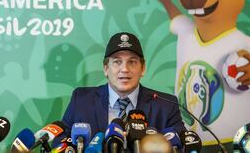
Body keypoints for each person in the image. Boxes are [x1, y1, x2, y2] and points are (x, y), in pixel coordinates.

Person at [52, 32, 186, 146]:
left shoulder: (166, 105)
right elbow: (59, 143)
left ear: (143, 68)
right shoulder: (81, 100)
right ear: (106, 68)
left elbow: (181, 146)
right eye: (117, 62)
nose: (125, 69)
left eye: (132, 62)